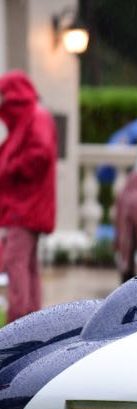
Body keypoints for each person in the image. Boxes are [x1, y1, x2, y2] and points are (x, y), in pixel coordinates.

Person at [0, 70, 57, 323]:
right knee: (27, 265)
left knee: (16, 263)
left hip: (24, 206)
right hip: (24, 206)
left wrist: (9, 169)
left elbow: (39, 155)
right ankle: (31, 322)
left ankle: (20, 323)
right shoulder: (30, 118)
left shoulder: (34, 117)